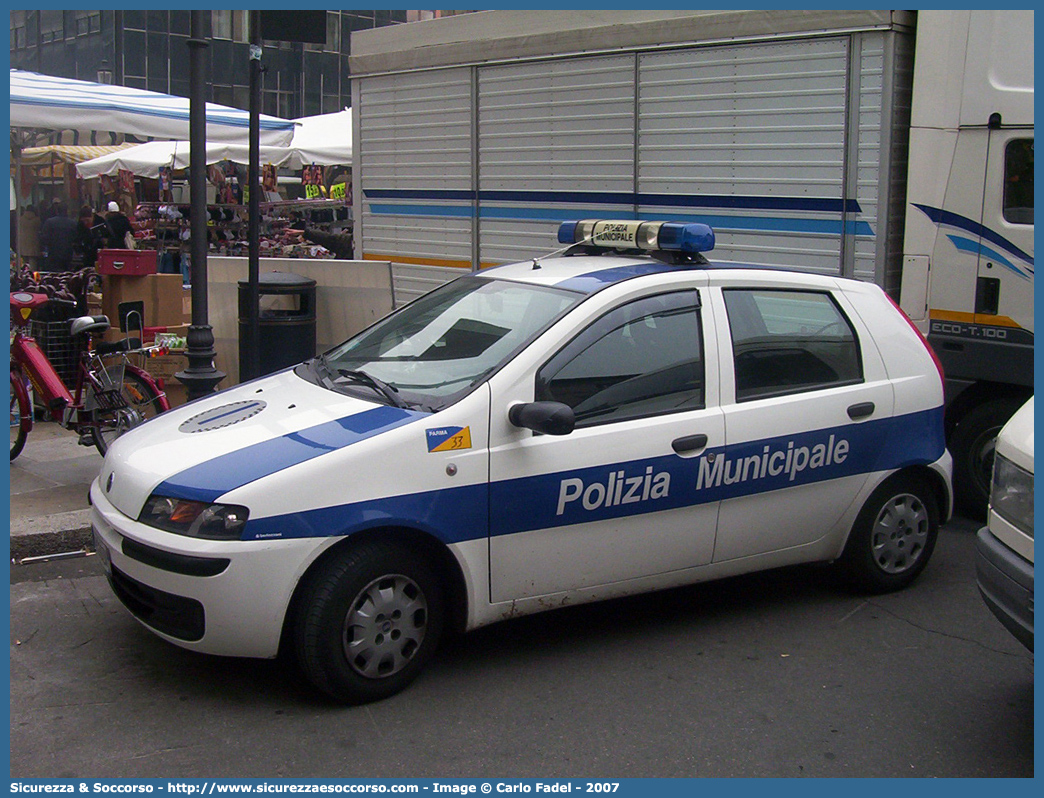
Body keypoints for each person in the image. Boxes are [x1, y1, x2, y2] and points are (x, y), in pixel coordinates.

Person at [38, 201, 78, 272]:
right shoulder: (73, 223)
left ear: (57, 211)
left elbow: (44, 238)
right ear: (67, 211)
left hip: (53, 253)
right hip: (68, 254)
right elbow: (76, 238)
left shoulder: (49, 222)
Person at [75, 204, 107, 270]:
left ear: (92, 216)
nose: (85, 223)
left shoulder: (100, 222)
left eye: (87, 220)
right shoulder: (80, 225)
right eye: (83, 221)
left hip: (99, 254)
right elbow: (77, 238)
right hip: (86, 255)